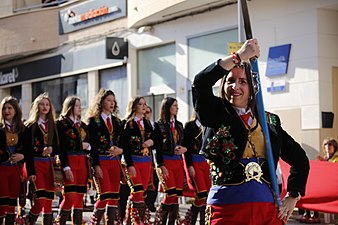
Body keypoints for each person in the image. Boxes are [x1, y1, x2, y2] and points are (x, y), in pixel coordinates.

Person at [192, 39, 310, 225]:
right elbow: (200, 83)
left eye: (243, 82)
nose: (235, 87)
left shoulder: (269, 121)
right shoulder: (215, 113)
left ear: (253, 87)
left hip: (268, 211)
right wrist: (239, 56)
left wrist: (293, 194)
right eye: (230, 81)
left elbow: (300, 159)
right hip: (227, 209)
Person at [120, 97, 164, 224]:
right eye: (140, 104)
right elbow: (125, 146)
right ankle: (135, 221)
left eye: (145, 104)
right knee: (137, 191)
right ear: (134, 106)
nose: (144, 106)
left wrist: (152, 141)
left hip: (146, 162)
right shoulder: (127, 124)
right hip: (133, 161)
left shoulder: (149, 123)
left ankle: (131, 220)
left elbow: (158, 141)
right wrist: (129, 164)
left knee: (141, 193)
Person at [86, 88, 123, 225]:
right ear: (101, 102)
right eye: (108, 100)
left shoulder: (118, 122)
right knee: (104, 194)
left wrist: (121, 150)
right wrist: (96, 165)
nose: (112, 103)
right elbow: (92, 146)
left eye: (113, 101)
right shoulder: (92, 122)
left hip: (115, 161)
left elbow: (123, 143)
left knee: (114, 196)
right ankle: (93, 222)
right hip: (101, 161)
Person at [24, 92, 59, 224]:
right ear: (37, 107)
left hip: (49, 165)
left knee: (49, 200)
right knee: (40, 199)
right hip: (36, 164)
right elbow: (27, 151)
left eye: (47, 104)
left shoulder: (53, 126)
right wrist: (31, 171)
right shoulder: (30, 126)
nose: (44, 107)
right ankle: (28, 221)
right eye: (42, 104)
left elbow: (58, 147)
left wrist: (52, 149)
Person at [55, 96, 91, 225]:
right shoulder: (61, 123)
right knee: (70, 196)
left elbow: (90, 143)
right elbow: (61, 147)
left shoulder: (83, 124)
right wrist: (66, 167)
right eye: (76, 105)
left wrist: (87, 146)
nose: (80, 108)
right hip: (69, 160)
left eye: (80, 105)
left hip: (82, 161)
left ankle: (77, 222)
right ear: (69, 107)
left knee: (80, 197)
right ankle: (61, 222)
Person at [154, 97, 186, 225]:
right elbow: (157, 148)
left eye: (177, 105)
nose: (177, 108)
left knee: (176, 195)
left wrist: (184, 148)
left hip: (177, 161)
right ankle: (160, 220)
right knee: (170, 194)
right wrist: (161, 165)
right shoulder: (158, 125)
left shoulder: (179, 125)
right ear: (167, 107)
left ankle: (171, 223)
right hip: (165, 162)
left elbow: (183, 143)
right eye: (174, 105)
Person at [299, 138, 338, 223]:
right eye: (326, 145)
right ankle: (308, 213)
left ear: (334, 147)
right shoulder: (323, 158)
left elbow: (334, 170)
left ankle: (316, 216)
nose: (327, 147)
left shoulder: (336, 159)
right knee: (308, 190)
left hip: (332, 185)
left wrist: (324, 163)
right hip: (324, 183)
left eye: (330, 145)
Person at [0, 96, 26, 224]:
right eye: (4, 108)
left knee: (12, 202)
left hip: (16, 170)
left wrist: (22, 155)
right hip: (2, 169)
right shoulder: (0, 127)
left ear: (15, 110)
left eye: (10, 108)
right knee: (2, 201)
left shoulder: (22, 128)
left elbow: (28, 148)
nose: (7, 111)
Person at [183, 111, 211, 225]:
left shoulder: (209, 126)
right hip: (195, 162)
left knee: (208, 194)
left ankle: (202, 221)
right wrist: (189, 166)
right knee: (202, 193)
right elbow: (187, 148)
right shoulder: (190, 126)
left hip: (206, 163)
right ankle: (193, 220)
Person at [144, 106, 160, 212]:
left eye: (148, 112)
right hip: (139, 159)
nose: (146, 114)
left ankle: (150, 204)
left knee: (153, 183)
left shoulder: (153, 126)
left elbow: (158, 142)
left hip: (151, 159)